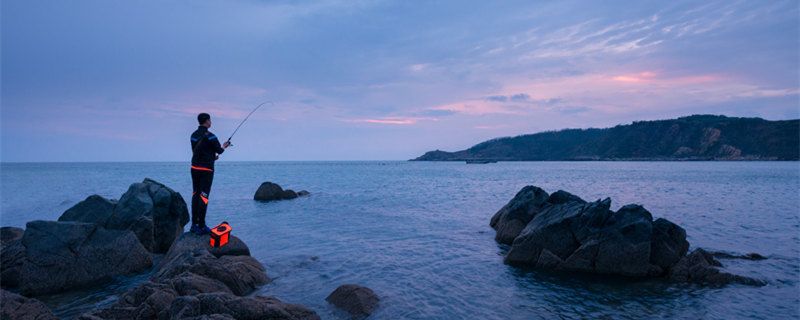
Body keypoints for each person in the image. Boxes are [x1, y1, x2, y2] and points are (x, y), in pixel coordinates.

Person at [190, 113, 230, 234]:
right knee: (204, 196)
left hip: (194, 168)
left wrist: (212, 157)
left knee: (195, 194)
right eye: (210, 120)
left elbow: (198, 151)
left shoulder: (193, 135)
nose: (210, 122)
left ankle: (194, 224)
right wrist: (224, 146)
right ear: (207, 121)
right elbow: (219, 150)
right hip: (206, 170)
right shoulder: (211, 136)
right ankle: (202, 226)